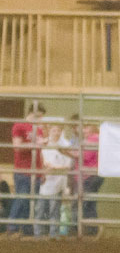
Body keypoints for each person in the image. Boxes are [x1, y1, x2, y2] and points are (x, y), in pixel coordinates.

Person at [8, 101, 46, 237]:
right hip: (23, 170)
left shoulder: (39, 130)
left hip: (35, 171)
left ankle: (26, 230)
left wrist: (42, 170)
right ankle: (12, 227)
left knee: (30, 202)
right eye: (39, 116)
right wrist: (35, 144)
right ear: (32, 113)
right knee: (22, 198)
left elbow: (39, 152)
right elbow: (17, 147)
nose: (40, 119)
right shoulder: (19, 126)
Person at [34, 121, 72, 237]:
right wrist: (44, 167)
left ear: (62, 131)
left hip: (58, 181)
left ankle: (53, 234)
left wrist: (54, 167)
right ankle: (38, 234)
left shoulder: (66, 145)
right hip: (45, 180)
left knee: (54, 209)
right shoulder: (44, 143)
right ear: (49, 131)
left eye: (59, 130)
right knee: (40, 209)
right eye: (54, 130)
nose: (56, 133)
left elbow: (68, 165)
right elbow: (38, 158)